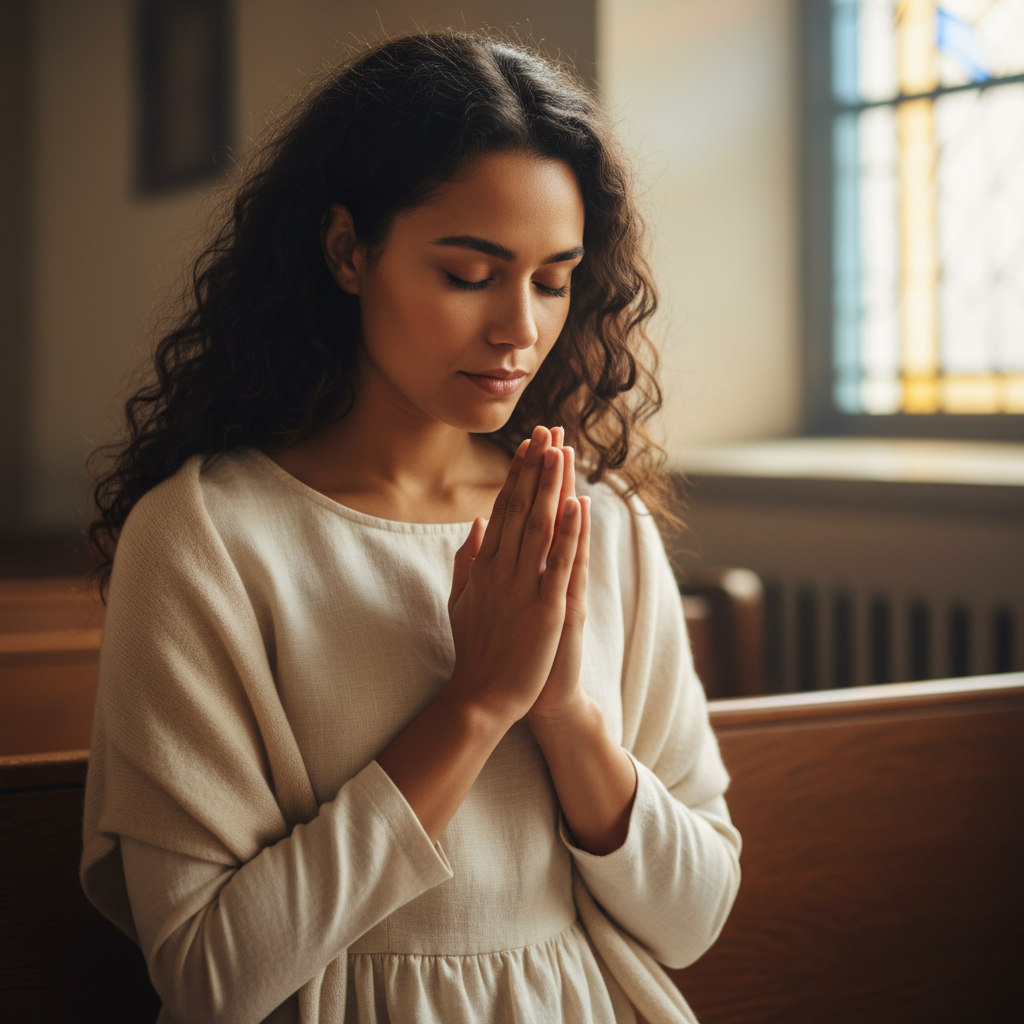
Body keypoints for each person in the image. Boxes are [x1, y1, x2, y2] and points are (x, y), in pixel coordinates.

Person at [80, 30, 741, 1024]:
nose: (519, 326)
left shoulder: (598, 523)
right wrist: (475, 702)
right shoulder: (208, 539)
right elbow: (209, 980)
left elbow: (693, 919)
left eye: (553, 278)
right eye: (470, 273)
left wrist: (564, 715)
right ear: (348, 250)